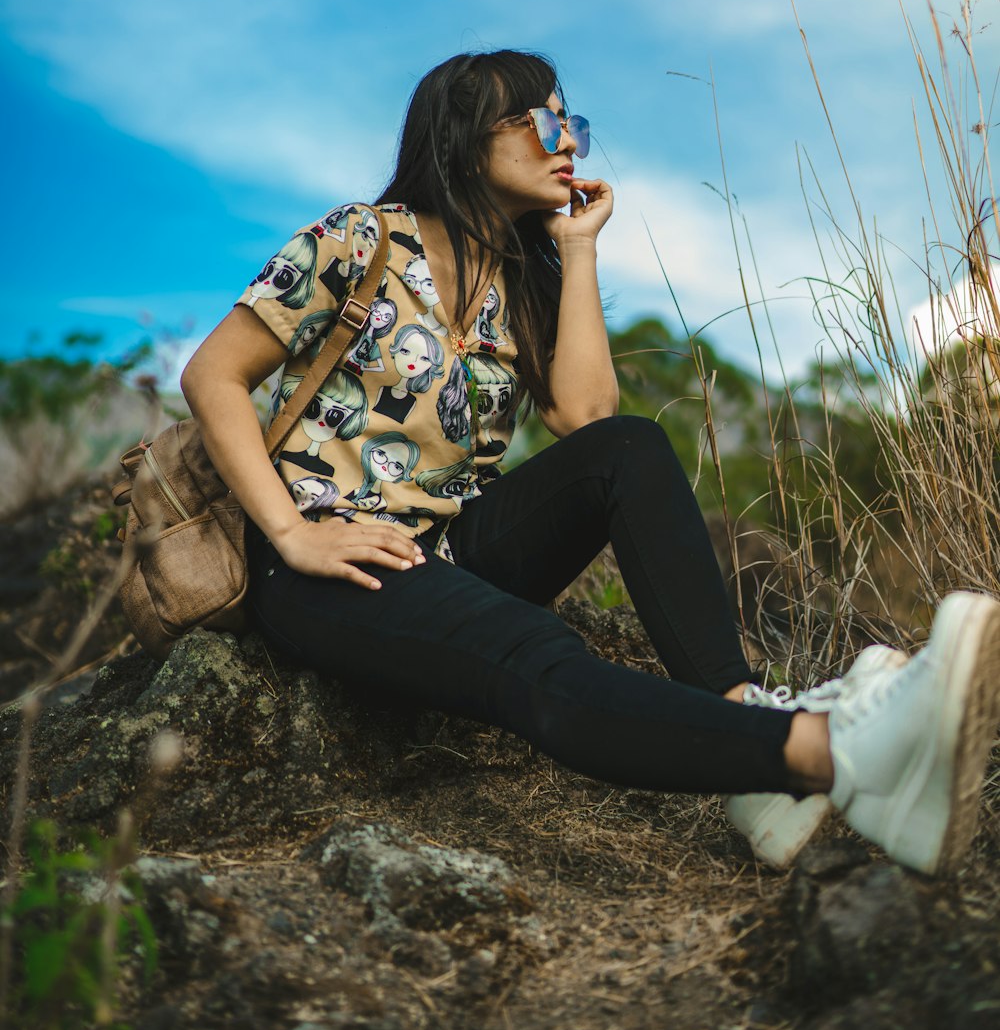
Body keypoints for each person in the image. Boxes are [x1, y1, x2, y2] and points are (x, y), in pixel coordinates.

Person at [181, 49, 1000, 876]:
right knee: (532, 648)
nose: (567, 139)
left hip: (448, 545)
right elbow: (212, 375)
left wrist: (576, 250)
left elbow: (586, 418)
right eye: (543, 121)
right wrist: (291, 533)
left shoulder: (518, 280)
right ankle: (826, 754)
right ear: (467, 139)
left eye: (572, 121)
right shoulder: (360, 237)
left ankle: (741, 722)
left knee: (629, 448)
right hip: (329, 562)